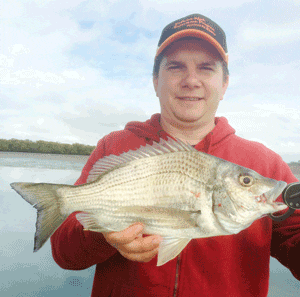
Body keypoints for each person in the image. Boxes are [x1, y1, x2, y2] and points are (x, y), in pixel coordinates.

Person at [50, 14, 300, 296]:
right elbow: (64, 255)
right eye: (176, 67)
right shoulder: (115, 146)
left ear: (225, 83)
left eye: (206, 68)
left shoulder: (265, 164)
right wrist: (105, 235)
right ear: (156, 80)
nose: (191, 80)